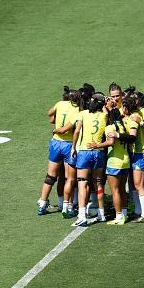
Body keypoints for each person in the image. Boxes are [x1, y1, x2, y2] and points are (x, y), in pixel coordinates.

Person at [37, 86, 80, 215]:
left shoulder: (60, 104)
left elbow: (49, 113)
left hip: (55, 142)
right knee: (69, 178)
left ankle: (42, 204)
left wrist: (57, 117)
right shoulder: (78, 109)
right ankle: (69, 207)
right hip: (68, 144)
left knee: (50, 176)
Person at [71, 93, 108, 227]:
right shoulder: (104, 115)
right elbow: (105, 110)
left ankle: (81, 216)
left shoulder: (83, 114)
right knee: (98, 184)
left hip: (85, 152)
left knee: (82, 184)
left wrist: (73, 147)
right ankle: (101, 214)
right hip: (98, 152)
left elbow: (76, 131)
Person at [122, 96, 144, 223]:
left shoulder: (134, 119)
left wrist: (118, 136)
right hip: (135, 155)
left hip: (140, 155)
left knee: (139, 185)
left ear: (126, 107)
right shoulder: (131, 117)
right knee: (135, 184)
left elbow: (132, 137)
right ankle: (138, 211)